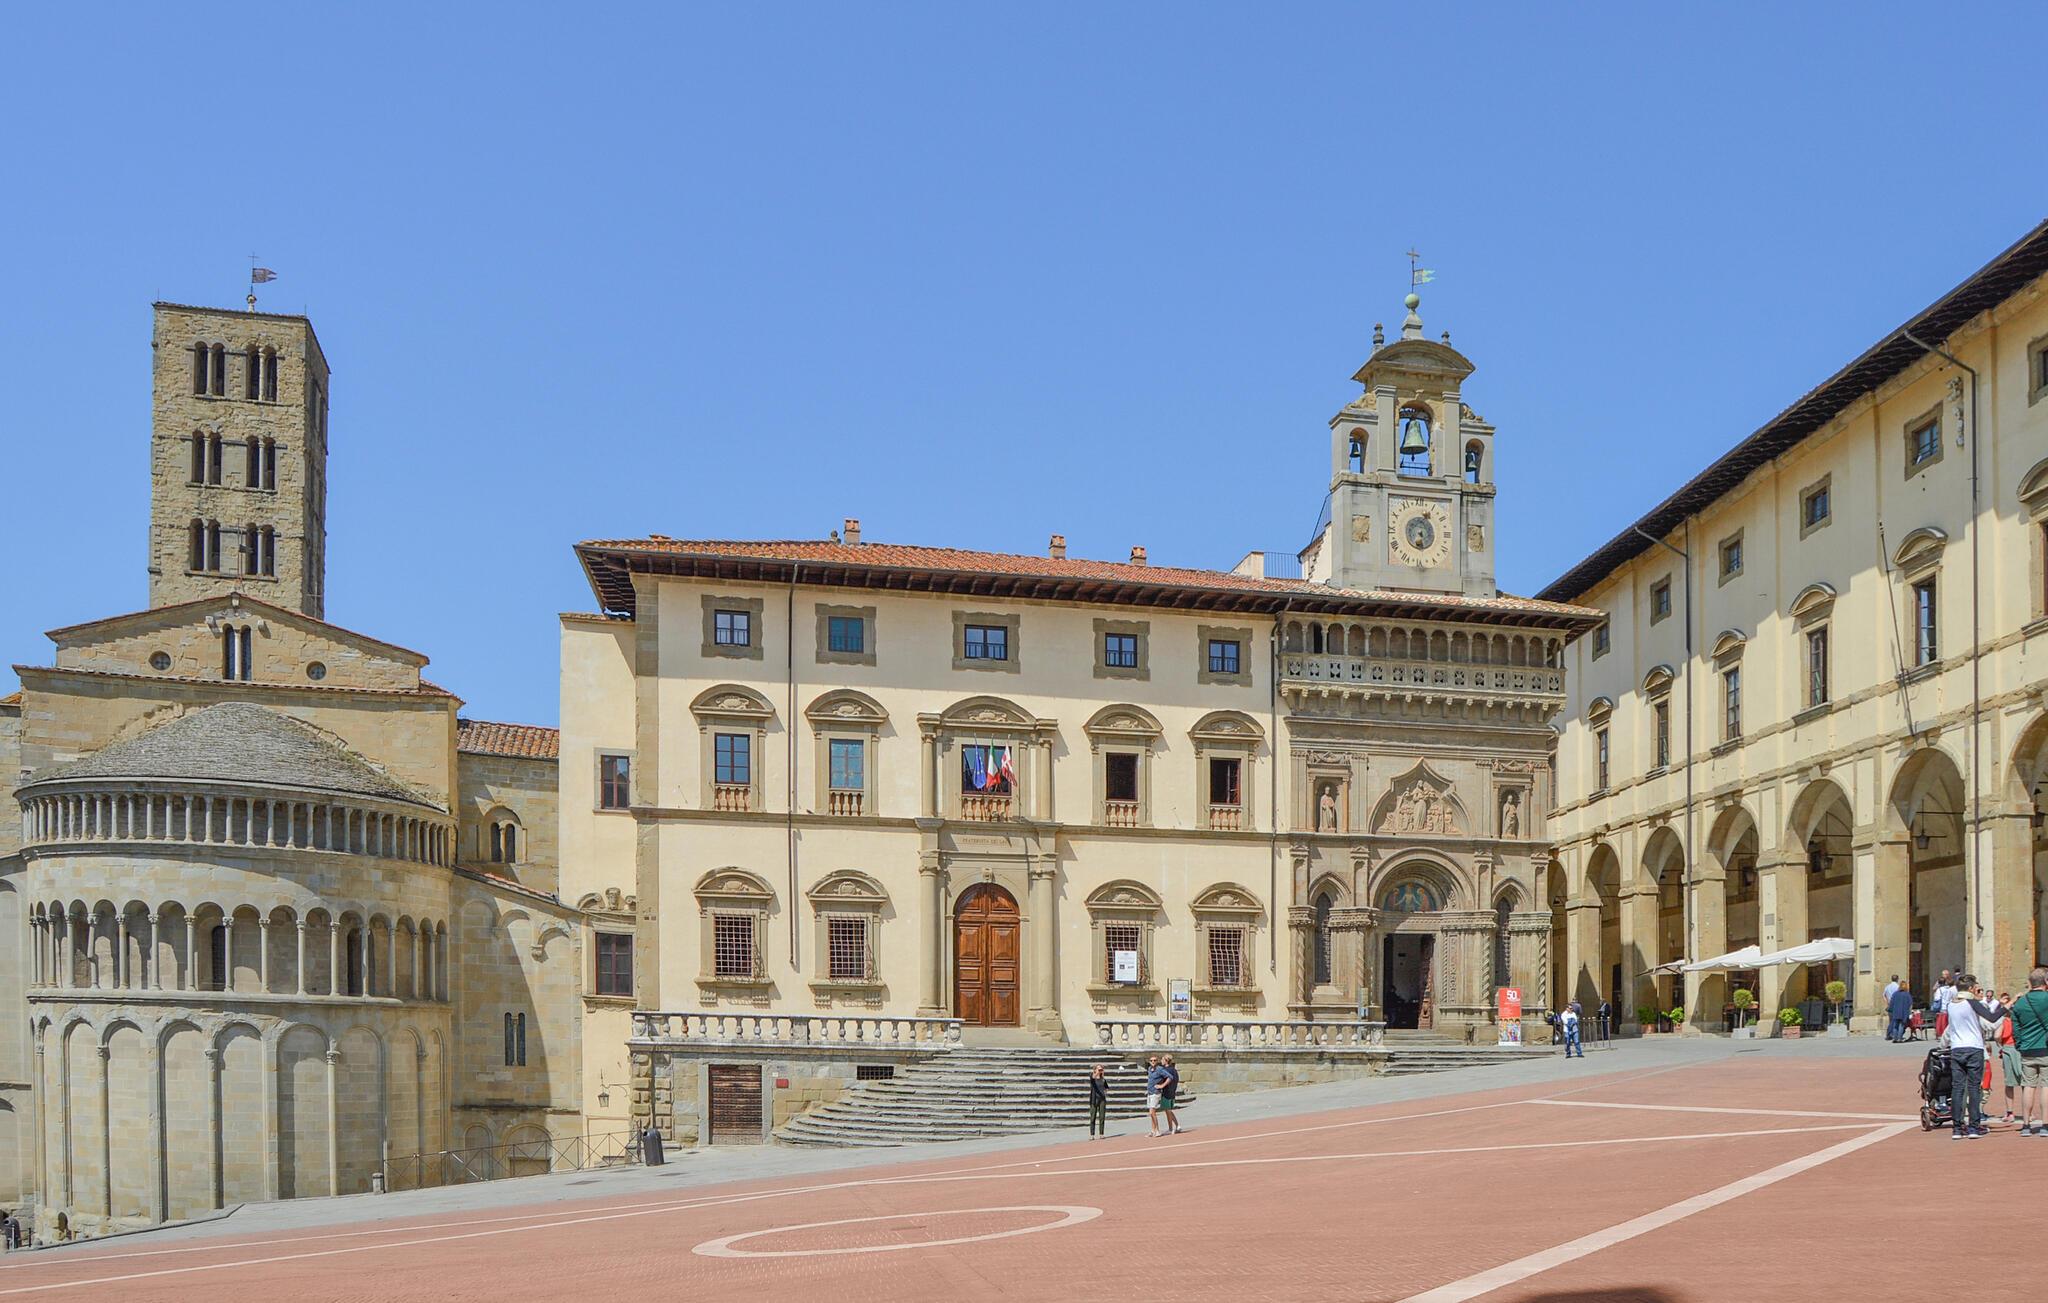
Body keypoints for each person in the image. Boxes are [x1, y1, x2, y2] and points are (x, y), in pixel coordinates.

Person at [1944, 974, 2002, 1139]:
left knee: (1957, 1088)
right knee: (1974, 1088)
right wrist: (2007, 1006)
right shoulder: (1972, 1003)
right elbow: (1992, 1018)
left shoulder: (1951, 1004)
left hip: (1957, 1048)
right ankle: (1974, 1127)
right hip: (1974, 1047)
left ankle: (1957, 1128)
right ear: (1970, 988)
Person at [2011, 967, 2048, 1138]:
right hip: (2045, 1048)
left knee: (2028, 1086)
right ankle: (2045, 1125)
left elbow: (2016, 1027)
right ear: (2045, 982)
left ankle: (2026, 1124)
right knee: (2046, 1086)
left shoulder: (2020, 1002)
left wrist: (2020, 1044)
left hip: (2027, 1049)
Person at [1144, 1054, 1168, 1138]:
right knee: (1151, 1114)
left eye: (1154, 1060)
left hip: (1156, 1093)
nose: (1153, 1062)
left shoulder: (1160, 1069)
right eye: (1151, 1060)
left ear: (1157, 1061)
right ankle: (1153, 1130)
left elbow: (1170, 1077)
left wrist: (1162, 1085)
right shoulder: (1149, 1069)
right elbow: (1150, 1080)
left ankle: (1158, 1130)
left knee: (1152, 1112)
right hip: (1150, 1093)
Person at [1160, 1054, 1184, 1135]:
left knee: (1168, 1110)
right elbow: (1176, 1080)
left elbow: (1163, 1080)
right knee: (1168, 1110)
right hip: (1172, 1092)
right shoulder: (1174, 1070)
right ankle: (1173, 1127)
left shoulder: (1165, 1070)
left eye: (1162, 1059)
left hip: (1166, 1092)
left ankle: (1175, 1126)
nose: (1161, 1061)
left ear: (1166, 1060)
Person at [1086, 1063, 1108, 1140]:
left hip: (1102, 1099)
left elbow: (1106, 1088)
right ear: (1095, 1070)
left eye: (1101, 1069)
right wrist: (1097, 1073)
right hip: (1094, 1099)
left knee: (1102, 1117)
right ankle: (1092, 1134)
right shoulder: (1092, 1077)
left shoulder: (1103, 1079)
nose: (1100, 1070)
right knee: (1093, 1117)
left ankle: (1101, 1134)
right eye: (1099, 1069)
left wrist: (1105, 1092)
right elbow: (1092, 1078)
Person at [1887, 980, 1913, 1044]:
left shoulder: (1895, 994)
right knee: (1901, 1025)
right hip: (1903, 1012)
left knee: (1895, 1025)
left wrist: (1890, 1010)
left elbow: (1891, 1003)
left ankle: (1895, 1038)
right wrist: (1910, 1012)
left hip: (1896, 1012)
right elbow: (1910, 1004)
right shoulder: (1907, 994)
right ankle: (1899, 1038)